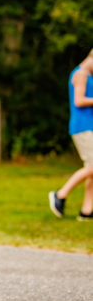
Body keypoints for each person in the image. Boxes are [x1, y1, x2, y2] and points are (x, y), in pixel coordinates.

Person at [50, 51, 93, 220]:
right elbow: (79, 100)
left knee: (91, 168)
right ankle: (60, 194)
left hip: (89, 126)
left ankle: (86, 211)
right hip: (83, 127)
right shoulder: (81, 74)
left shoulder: (88, 76)